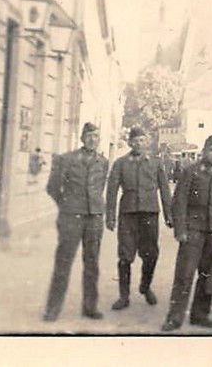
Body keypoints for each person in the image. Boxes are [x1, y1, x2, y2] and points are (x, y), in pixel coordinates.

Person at [161, 135, 212, 331]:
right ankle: (174, 317)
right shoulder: (191, 172)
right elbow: (179, 201)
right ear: (204, 152)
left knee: (207, 275)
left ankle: (200, 315)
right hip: (193, 232)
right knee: (184, 275)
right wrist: (180, 230)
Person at [43, 122, 109, 322]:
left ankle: (90, 307)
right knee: (63, 263)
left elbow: (99, 187)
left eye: (96, 136)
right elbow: (52, 187)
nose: (92, 140)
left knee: (92, 264)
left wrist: (95, 207)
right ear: (82, 138)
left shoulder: (103, 162)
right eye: (89, 136)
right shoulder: (67, 159)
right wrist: (67, 206)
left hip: (94, 218)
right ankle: (52, 309)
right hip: (71, 218)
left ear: (99, 139)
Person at [105, 126, 173, 310]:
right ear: (129, 143)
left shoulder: (156, 163)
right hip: (128, 214)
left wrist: (169, 214)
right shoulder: (120, 164)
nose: (138, 144)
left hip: (149, 214)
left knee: (151, 255)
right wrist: (110, 216)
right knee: (125, 256)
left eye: (142, 140)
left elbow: (164, 189)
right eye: (135, 141)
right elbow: (111, 191)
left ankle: (145, 286)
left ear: (147, 142)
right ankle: (124, 296)